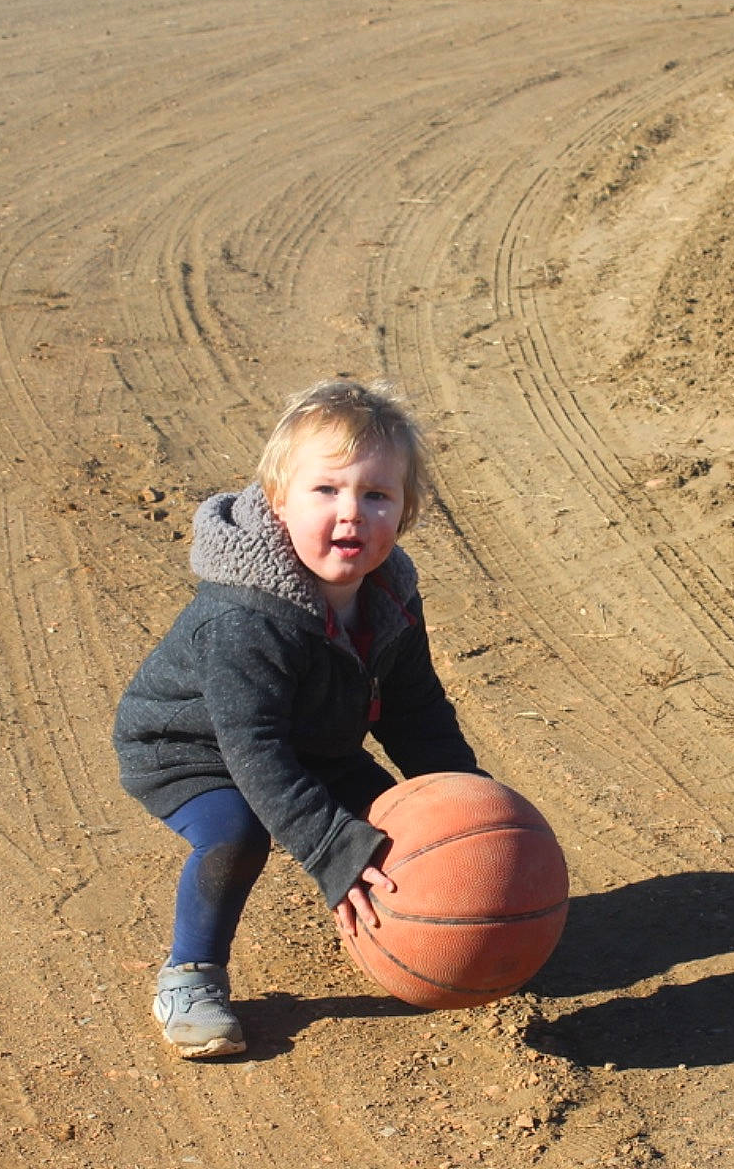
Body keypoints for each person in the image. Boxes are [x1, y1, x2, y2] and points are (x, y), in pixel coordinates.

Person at [114, 380, 485, 1057]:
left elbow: (416, 709)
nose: (353, 512)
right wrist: (329, 849)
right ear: (277, 501)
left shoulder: (389, 596)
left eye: (377, 495)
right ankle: (191, 974)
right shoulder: (245, 616)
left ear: (404, 513)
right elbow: (254, 750)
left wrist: (467, 805)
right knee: (239, 830)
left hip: (314, 739)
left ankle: (436, 933)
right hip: (190, 746)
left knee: (404, 827)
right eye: (327, 491)